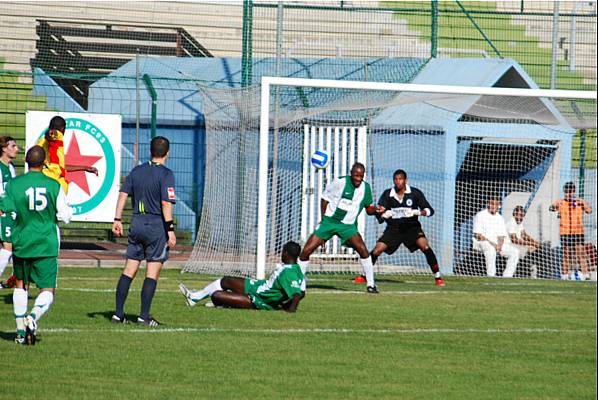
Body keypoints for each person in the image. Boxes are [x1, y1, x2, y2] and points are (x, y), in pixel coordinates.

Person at [1, 146, 73, 345]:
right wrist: (70, 210)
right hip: (46, 244)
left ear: (26, 161)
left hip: (22, 242)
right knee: (47, 290)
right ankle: (32, 317)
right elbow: (64, 215)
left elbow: (5, 208)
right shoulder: (54, 185)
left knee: (20, 286)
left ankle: (19, 332)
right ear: (44, 163)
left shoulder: (14, 185)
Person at [111, 136, 176, 326]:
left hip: (137, 222)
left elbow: (123, 194)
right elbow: (166, 203)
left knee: (129, 269)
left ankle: (118, 314)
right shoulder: (166, 174)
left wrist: (117, 219)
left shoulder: (136, 171)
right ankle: (144, 316)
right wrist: (170, 230)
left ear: (150, 151)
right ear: (168, 153)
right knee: (152, 271)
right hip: (156, 225)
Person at [298, 162, 383, 293]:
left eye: (361, 176)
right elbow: (324, 199)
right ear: (351, 173)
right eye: (356, 175)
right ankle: (299, 282)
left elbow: (369, 209)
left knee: (363, 249)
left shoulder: (366, 188)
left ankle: (371, 284)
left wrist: (376, 209)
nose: (358, 179)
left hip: (348, 226)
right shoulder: (340, 182)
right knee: (307, 250)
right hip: (330, 222)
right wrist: (323, 219)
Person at [356, 169, 445, 286]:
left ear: (405, 180)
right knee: (377, 249)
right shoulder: (388, 194)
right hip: (394, 230)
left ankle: (438, 277)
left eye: (400, 179)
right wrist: (383, 213)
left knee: (425, 246)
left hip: (412, 228)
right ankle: (364, 276)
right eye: (396, 179)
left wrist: (417, 213)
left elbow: (430, 210)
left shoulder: (415, 193)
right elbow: (380, 212)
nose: (398, 182)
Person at [179, 241, 306, 312]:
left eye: (282, 251)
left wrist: (290, 310)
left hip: (258, 300)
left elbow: (296, 294)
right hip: (259, 287)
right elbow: (302, 292)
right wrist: (283, 305)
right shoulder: (296, 269)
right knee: (227, 280)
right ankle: (194, 298)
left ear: (286, 253)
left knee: (216, 295)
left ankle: (227, 303)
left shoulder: (289, 273)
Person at [37, 115, 98, 193]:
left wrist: (85, 168)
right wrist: (50, 133)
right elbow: (52, 134)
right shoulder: (58, 136)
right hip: (53, 182)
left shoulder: (40, 142)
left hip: (44, 181)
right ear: (62, 128)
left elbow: (60, 166)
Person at [549, 182, 593, 280]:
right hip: (565, 231)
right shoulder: (561, 202)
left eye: (570, 192)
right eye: (566, 192)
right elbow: (551, 208)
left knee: (580, 252)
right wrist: (555, 205)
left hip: (578, 231)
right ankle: (564, 275)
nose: (568, 194)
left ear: (574, 192)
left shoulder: (579, 202)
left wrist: (583, 202)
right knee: (566, 253)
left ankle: (585, 274)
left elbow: (589, 211)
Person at [472, 195, 520, 278]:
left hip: (497, 244)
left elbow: (501, 235)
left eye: (496, 204)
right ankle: (491, 276)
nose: (494, 206)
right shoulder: (480, 215)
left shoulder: (500, 218)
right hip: (482, 242)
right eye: (492, 204)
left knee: (515, 252)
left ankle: (507, 276)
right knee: (490, 249)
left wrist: (500, 245)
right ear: (488, 204)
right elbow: (478, 235)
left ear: (499, 206)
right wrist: (494, 244)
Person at [0, 136, 19, 288]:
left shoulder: (11, 167)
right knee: (8, 248)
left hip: (10, 212)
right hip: (3, 212)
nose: (16, 149)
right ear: (4, 148)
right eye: (13, 146)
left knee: (10, 247)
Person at [507, 205, 541, 278]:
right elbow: (514, 240)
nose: (520, 217)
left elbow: (524, 235)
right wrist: (531, 243)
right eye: (519, 215)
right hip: (509, 245)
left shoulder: (519, 223)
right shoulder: (511, 222)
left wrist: (534, 242)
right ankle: (527, 272)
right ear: (514, 214)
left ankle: (532, 270)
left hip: (518, 244)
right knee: (531, 249)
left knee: (536, 248)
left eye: (522, 215)